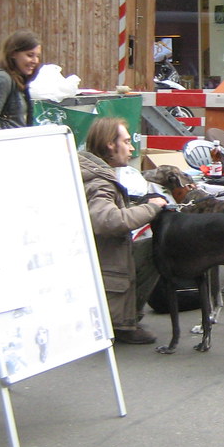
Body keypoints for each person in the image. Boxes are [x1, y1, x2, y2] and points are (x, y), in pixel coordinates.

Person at [79, 117, 169, 345]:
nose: (131, 148)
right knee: (156, 248)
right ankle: (122, 323)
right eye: (126, 142)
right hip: (105, 264)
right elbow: (108, 221)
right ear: (110, 144)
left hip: (97, 259)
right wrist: (151, 208)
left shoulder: (93, 171)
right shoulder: (99, 182)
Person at [0, 31, 42, 130]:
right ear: (13, 54)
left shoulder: (19, 81)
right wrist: (6, 144)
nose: (35, 61)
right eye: (30, 55)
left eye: (37, 56)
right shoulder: (2, 79)